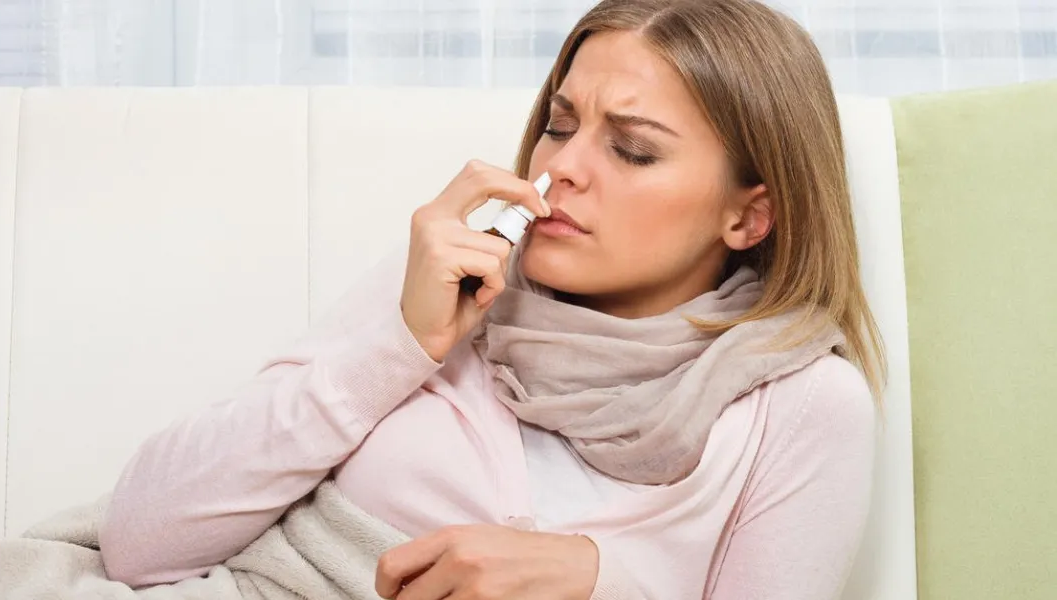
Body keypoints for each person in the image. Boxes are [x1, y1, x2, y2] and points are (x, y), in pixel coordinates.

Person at [99, 0, 885, 597]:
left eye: (633, 149)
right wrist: (399, 346)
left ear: (748, 216)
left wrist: (597, 578)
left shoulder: (802, 402)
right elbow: (137, 541)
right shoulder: (452, 287)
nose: (564, 165)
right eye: (559, 124)